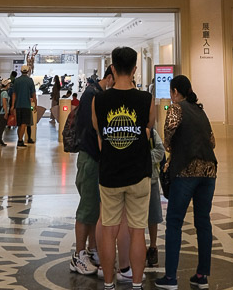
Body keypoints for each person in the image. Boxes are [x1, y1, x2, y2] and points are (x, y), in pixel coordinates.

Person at [93, 46, 155, 290]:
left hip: (109, 174)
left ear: (112, 68)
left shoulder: (99, 99)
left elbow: (99, 133)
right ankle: (137, 284)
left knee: (108, 230)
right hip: (139, 173)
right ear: (135, 70)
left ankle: (109, 284)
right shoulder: (146, 100)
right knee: (138, 230)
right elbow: (148, 129)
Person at [155, 75, 217, 290]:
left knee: (174, 222)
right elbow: (213, 141)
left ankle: (171, 278)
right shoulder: (201, 111)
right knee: (203, 222)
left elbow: (168, 140)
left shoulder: (176, 108)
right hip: (209, 171)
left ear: (174, 92)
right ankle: (202, 276)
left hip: (185, 171)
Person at [70, 65, 114, 276]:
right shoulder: (92, 95)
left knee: (96, 209)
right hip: (90, 159)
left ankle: (93, 249)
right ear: (110, 78)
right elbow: (94, 129)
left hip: (96, 160)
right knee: (87, 209)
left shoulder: (97, 94)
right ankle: (78, 255)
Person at [146, 126, 165, 269]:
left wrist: (144, 158)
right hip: (133, 180)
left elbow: (160, 151)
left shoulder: (152, 132)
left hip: (151, 179)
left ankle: (153, 247)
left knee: (153, 215)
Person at [11, 64, 36, 148]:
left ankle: (20, 140)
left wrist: (12, 105)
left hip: (18, 105)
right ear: (28, 71)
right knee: (24, 124)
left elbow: (14, 94)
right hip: (26, 105)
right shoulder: (30, 81)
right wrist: (35, 104)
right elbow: (33, 94)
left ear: (21, 71)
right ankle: (20, 141)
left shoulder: (17, 81)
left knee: (19, 124)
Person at [0, 78, 11, 146]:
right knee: (2, 126)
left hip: (0, 111)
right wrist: (6, 113)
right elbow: (5, 104)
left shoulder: (1, 91)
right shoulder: (4, 93)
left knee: (1, 126)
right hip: (3, 112)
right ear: (7, 85)